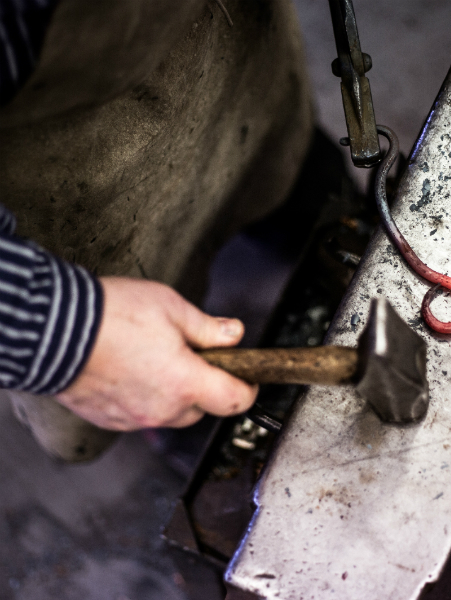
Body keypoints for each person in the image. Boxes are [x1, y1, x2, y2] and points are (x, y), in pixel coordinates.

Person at [0, 0, 313, 459]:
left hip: (224, 41)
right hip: (62, 167)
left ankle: (300, 216)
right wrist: (61, 332)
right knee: (163, 372)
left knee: (281, 169)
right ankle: (194, 422)